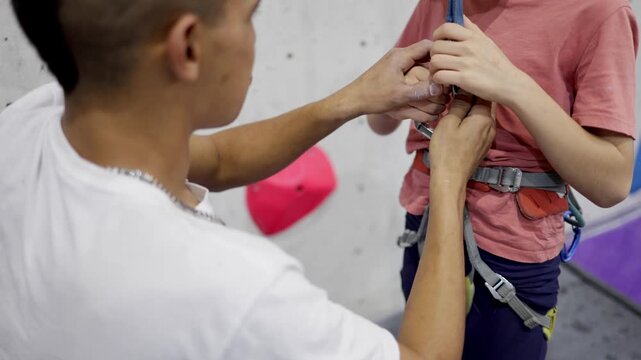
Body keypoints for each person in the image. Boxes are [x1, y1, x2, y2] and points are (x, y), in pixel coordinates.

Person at [0, 0, 497, 358]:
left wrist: (349, 100)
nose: (255, 34)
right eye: (250, 16)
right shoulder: (235, 290)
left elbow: (215, 159)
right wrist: (449, 180)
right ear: (189, 46)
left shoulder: (28, 123)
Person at [368, 0, 639, 359]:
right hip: (426, 223)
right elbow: (380, 120)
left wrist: (512, 85)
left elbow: (611, 183)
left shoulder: (599, 13)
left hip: (511, 250)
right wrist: (403, 94)